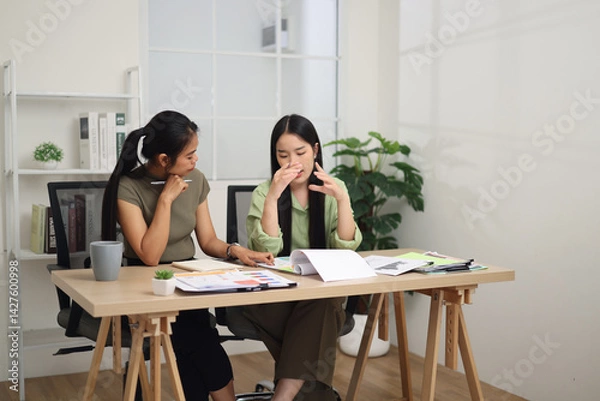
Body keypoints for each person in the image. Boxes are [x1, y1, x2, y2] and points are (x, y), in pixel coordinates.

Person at [101, 110, 274, 401]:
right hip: (143, 286)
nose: (196, 161)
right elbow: (150, 256)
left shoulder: (197, 180)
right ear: (163, 160)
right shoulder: (129, 187)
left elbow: (207, 240)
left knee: (193, 338)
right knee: (198, 338)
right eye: (189, 156)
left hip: (186, 280)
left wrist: (236, 250)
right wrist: (166, 199)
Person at [244, 114, 363, 401]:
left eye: (300, 153)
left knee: (321, 305)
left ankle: (281, 397)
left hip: (319, 297)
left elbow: (346, 249)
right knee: (320, 319)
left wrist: (342, 200)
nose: (291, 162)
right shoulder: (264, 193)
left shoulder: (334, 190)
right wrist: (274, 196)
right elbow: (267, 249)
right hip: (274, 299)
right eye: (282, 155)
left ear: (316, 150)